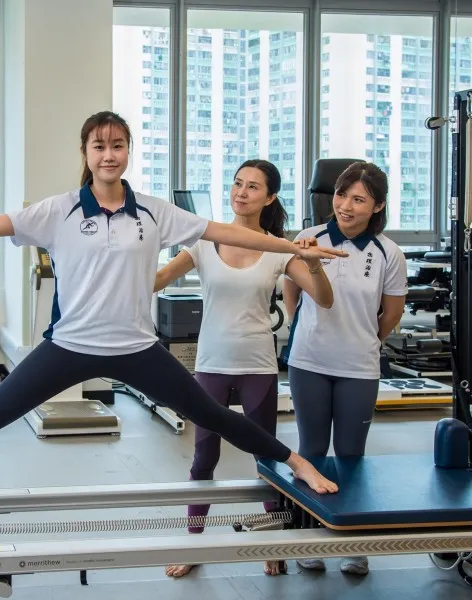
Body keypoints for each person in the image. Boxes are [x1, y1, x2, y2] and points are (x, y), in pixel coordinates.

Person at [0, 111, 346, 516]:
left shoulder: (155, 213)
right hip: (69, 346)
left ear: (128, 152)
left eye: (118, 145)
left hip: (137, 349)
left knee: (212, 415)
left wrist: (293, 248)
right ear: (86, 152)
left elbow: (228, 232)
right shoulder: (58, 211)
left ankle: (297, 463)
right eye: (99, 146)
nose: (108, 155)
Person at [154, 159, 337, 579]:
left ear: (269, 198)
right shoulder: (204, 242)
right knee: (204, 457)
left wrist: (311, 262)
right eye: (238, 183)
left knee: (266, 456)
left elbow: (324, 298)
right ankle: (193, 541)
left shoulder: (277, 247)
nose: (241, 192)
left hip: (257, 364)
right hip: (211, 364)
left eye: (253, 186)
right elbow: (158, 280)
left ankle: (273, 543)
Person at [283, 161, 408, 576]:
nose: (346, 206)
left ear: (377, 206)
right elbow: (290, 284)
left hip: (359, 366)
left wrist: (366, 339)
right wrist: (296, 321)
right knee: (312, 451)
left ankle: (354, 543)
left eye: (359, 199)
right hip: (309, 362)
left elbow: (392, 312)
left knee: (352, 455)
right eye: (341, 195)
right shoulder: (309, 239)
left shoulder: (388, 252)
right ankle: (309, 537)